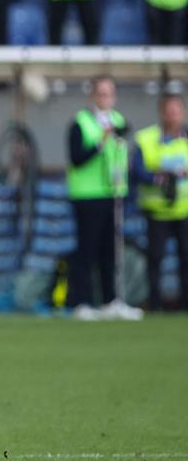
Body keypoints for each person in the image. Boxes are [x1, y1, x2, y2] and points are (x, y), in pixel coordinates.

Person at [65, 76, 141, 320]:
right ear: (93, 96)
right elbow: (77, 158)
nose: (106, 98)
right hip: (87, 195)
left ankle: (111, 300)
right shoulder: (81, 122)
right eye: (102, 93)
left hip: (113, 194)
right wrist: (101, 141)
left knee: (111, 250)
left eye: (110, 93)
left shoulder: (118, 121)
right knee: (87, 250)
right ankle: (82, 302)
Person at [131, 93, 188, 311]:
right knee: (155, 260)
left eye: (177, 110)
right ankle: (154, 306)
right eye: (169, 110)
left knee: (186, 260)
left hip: (184, 210)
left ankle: (185, 307)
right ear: (162, 113)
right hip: (157, 211)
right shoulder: (147, 138)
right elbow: (137, 170)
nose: (173, 115)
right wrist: (159, 177)